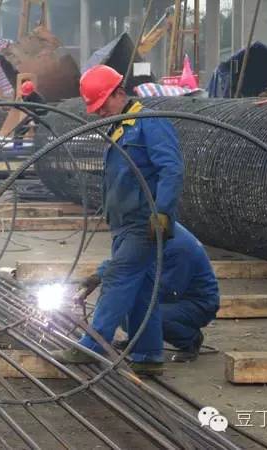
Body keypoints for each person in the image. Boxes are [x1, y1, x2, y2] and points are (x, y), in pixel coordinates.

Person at [51, 65, 184, 375]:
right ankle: (149, 355)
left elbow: (171, 169)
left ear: (120, 94)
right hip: (124, 224)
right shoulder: (120, 126)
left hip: (144, 222)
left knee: (118, 279)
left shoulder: (150, 124)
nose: (99, 113)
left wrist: (162, 211)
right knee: (141, 289)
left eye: (102, 105)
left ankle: (92, 345)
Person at [86, 222, 220, 363]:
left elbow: (169, 290)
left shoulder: (179, 248)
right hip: (172, 293)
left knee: (148, 314)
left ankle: (190, 340)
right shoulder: (145, 231)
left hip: (196, 303)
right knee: (126, 309)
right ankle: (137, 340)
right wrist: (98, 276)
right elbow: (124, 259)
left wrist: (131, 296)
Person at [13, 80, 47, 150]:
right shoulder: (25, 95)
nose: (25, 95)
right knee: (18, 129)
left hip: (40, 117)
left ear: (31, 91)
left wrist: (33, 120)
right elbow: (19, 106)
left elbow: (43, 112)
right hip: (31, 115)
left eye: (26, 93)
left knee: (39, 132)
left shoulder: (40, 100)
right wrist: (18, 100)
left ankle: (42, 149)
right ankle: (17, 148)